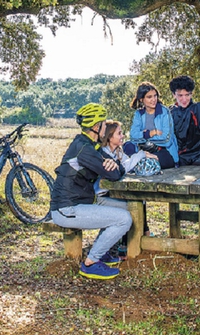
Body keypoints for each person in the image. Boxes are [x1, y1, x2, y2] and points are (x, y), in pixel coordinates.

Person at [50, 103, 133, 280]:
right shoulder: (85, 150)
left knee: (127, 208)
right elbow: (114, 174)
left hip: (79, 203)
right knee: (124, 219)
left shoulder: (87, 144)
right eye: (103, 123)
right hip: (67, 209)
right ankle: (91, 263)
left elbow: (114, 169)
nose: (106, 127)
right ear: (96, 127)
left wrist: (114, 164)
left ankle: (100, 252)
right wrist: (114, 166)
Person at [123, 82, 179, 169]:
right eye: (149, 97)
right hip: (144, 151)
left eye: (155, 96)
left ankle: (138, 163)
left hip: (164, 151)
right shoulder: (139, 114)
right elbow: (133, 136)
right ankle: (138, 162)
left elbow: (166, 139)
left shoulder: (164, 112)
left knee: (147, 161)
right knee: (127, 146)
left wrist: (145, 140)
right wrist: (151, 133)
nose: (153, 99)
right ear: (141, 99)